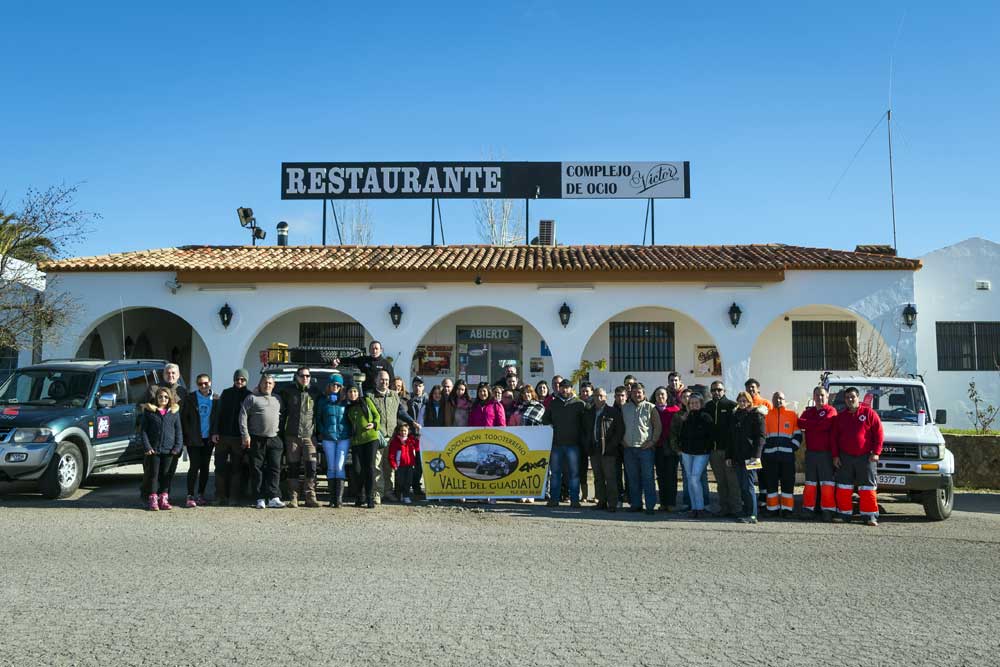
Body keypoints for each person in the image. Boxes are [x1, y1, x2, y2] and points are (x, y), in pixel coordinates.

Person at [832, 386, 884, 526]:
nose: (850, 400)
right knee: (843, 487)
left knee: (867, 488)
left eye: (852, 397)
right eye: (847, 397)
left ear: (858, 398)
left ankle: (870, 516)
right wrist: (836, 456)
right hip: (845, 458)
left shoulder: (869, 413)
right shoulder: (840, 417)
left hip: (866, 457)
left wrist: (876, 452)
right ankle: (844, 514)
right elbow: (834, 438)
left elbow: (879, 434)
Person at [369, 369, 420, 504]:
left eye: (386, 380)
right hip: (377, 436)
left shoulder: (394, 395)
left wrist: (412, 422)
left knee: (389, 466)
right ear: (376, 380)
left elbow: (401, 412)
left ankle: (388, 492)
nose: (384, 382)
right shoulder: (370, 396)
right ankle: (377, 493)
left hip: (392, 436)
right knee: (377, 465)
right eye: (381, 379)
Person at [140, 362, 189, 501]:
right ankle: (147, 494)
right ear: (163, 374)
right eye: (168, 373)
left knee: (169, 470)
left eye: (174, 373)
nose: (171, 375)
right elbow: (145, 408)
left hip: (173, 438)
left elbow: (185, 414)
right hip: (154, 438)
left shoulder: (182, 391)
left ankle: (164, 496)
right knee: (151, 470)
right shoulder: (153, 389)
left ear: (178, 375)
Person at [240, 374, 285, 509]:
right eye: (265, 383)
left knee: (275, 469)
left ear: (274, 385)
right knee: (257, 469)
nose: (267, 385)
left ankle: (273, 497)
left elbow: (282, 415)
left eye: (270, 383)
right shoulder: (251, 398)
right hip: (256, 438)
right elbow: (242, 417)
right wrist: (245, 435)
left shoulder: (278, 399)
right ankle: (259, 498)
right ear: (260, 384)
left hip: (274, 438)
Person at [279, 367, 321, 508]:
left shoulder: (315, 392)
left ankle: (310, 496)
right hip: (292, 435)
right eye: (302, 375)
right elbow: (275, 399)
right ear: (296, 376)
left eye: (308, 376)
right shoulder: (287, 391)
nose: (305, 378)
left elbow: (330, 398)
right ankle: (294, 497)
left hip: (309, 436)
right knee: (293, 467)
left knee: (311, 467)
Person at [542, 379, 586, 508]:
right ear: (559, 389)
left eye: (566, 387)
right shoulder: (553, 404)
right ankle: (554, 499)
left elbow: (585, 425)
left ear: (572, 388)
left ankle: (574, 500)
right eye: (562, 387)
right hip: (557, 444)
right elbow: (545, 420)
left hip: (574, 445)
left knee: (574, 473)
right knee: (555, 473)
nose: (564, 390)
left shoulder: (580, 404)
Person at [797, 386, 838, 520]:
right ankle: (808, 509)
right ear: (813, 397)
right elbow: (799, 423)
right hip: (811, 453)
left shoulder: (831, 410)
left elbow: (825, 424)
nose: (819, 398)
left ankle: (828, 510)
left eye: (822, 395)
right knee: (810, 483)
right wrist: (817, 424)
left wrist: (812, 424)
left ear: (827, 397)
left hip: (825, 453)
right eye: (817, 395)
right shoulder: (809, 411)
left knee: (827, 484)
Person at [621, 382, 662, 515]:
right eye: (634, 392)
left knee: (648, 478)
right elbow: (619, 426)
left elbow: (658, 427)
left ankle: (650, 506)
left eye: (639, 392)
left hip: (645, 449)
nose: (637, 394)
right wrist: (622, 440)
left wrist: (652, 441)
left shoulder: (651, 408)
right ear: (630, 394)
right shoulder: (624, 408)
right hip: (629, 449)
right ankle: (636, 504)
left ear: (644, 394)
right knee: (632, 478)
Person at [212, 369, 251, 505]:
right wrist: (215, 432)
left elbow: (250, 419)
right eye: (237, 379)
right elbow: (218, 413)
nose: (239, 382)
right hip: (222, 436)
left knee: (237, 468)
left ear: (246, 380)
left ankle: (234, 497)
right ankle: (220, 496)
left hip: (238, 438)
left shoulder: (249, 395)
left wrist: (246, 437)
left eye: (242, 379)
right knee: (220, 466)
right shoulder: (226, 393)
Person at [140, 386, 183, 511]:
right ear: (156, 398)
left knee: (166, 475)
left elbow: (179, 432)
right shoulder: (150, 412)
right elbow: (143, 431)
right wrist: (147, 446)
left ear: (169, 398)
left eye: (165, 397)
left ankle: (163, 498)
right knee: (153, 475)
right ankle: (153, 498)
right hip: (154, 450)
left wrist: (177, 447)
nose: (163, 399)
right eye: (160, 397)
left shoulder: (174, 413)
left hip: (169, 450)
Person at [180, 373, 218, 508]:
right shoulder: (191, 398)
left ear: (210, 383)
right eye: (200, 384)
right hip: (194, 438)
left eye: (205, 383)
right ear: (197, 385)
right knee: (194, 466)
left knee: (205, 467)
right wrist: (185, 436)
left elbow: (218, 419)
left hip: (209, 439)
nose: (203, 386)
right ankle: (190, 495)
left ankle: (200, 494)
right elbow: (184, 418)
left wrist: (215, 433)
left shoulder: (216, 398)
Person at [726, 391, 765, 524]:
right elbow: (730, 438)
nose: (742, 403)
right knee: (742, 485)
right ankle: (746, 511)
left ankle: (753, 515)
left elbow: (761, 437)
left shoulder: (756, 415)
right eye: (740, 401)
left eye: (745, 401)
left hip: (752, 457)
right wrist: (729, 456)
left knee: (749, 486)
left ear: (749, 402)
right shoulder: (734, 416)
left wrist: (757, 456)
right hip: (737, 457)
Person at [584, 387, 624, 512]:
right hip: (594, 450)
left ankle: (612, 503)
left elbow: (619, 431)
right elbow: (585, 430)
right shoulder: (589, 412)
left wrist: (611, 446)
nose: (598, 398)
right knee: (598, 477)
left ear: (606, 397)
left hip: (609, 451)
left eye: (601, 396)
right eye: (596, 396)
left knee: (610, 478)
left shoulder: (612, 412)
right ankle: (601, 501)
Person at [762, 391, 802, 518]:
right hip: (770, 457)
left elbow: (798, 434)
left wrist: (792, 448)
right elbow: (762, 436)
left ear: (785, 401)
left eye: (781, 398)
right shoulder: (766, 416)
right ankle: (772, 509)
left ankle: (787, 509)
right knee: (771, 483)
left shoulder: (792, 415)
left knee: (788, 483)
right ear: (772, 400)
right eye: (776, 398)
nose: (778, 400)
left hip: (787, 457)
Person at [705, 380, 741, 517]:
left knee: (732, 481)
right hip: (713, 452)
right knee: (720, 482)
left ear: (724, 391)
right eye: (713, 390)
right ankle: (724, 508)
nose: (716, 392)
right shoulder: (707, 406)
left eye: (719, 389)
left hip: (728, 451)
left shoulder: (732, 406)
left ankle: (736, 509)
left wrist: (731, 452)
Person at [316, 375, 350, 508]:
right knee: (331, 467)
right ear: (329, 385)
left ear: (341, 387)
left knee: (339, 466)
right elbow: (318, 419)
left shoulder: (345, 401)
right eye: (333, 384)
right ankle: (332, 499)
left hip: (343, 437)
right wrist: (323, 431)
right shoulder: (323, 401)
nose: (335, 387)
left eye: (338, 385)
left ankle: (339, 499)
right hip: (328, 438)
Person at [678, 393, 714, 518]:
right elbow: (681, 434)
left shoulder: (706, 417)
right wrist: (681, 447)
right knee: (689, 479)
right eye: (691, 403)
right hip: (687, 452)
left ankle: (700, 507)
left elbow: (710, 436)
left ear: (701, 403)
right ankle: (694, 507)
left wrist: (706, 448)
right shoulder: (686, 417)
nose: (694, 405)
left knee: (694, 478)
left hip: (701, 453)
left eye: (696, 403)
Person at [345, 384, 381, 508]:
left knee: (370, 467)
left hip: (371, 438)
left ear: (358, 392)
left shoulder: (366, 401)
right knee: (357, 469)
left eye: (355, 391)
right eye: (350, 391)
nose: (353, 394)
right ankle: (360, 496)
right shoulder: (348, 408)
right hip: (356, 441)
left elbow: (377, 416)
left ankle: (370, 497)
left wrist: (374, 424)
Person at [652, 386, 681, 512]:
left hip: (671, 448)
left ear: (667, 396)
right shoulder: (651, 410)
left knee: (671, 476)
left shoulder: (675, 410)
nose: (660, 397)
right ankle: (663, 503)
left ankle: (671, 503)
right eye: (658, 394)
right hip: (657, 447)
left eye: (663, 394)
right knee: (661, 476)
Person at [389, 422, 420, 504]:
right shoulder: (395, 441)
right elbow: (391, 454)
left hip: (409, 465)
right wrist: (393, 464)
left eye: (405, 431)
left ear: (408, 431)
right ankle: (399, 494)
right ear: (399, 431)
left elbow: (417, 448)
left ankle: (406, 495)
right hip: (399, 466)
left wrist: (418, 439)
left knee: (408, 481)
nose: (403, 432)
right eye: (402, 431)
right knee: (400, 481)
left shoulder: (411, 440)